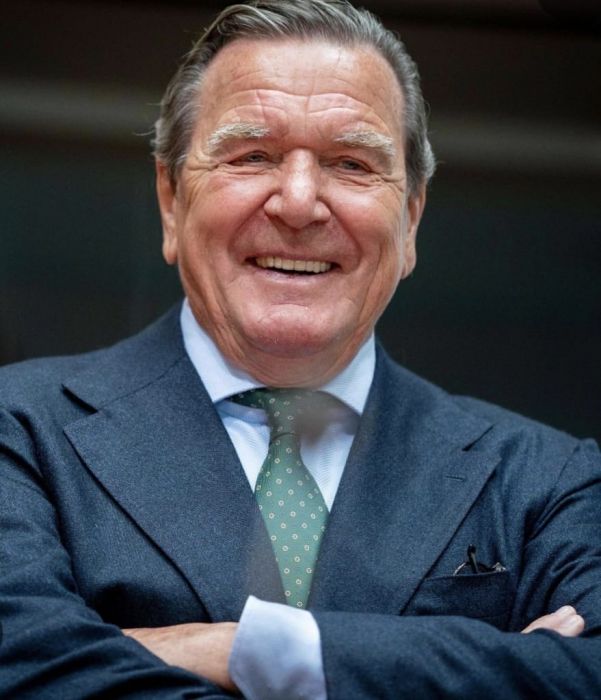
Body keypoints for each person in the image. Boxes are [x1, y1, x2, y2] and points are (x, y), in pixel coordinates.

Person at [1, 1, 600, 698]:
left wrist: (249, 648)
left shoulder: (547, 482)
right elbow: (25, 668)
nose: (297, 201)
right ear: (170, 200)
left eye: (351, 163)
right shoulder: (20, 432)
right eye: (251, 156)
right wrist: (484, 668)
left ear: (410, 219)